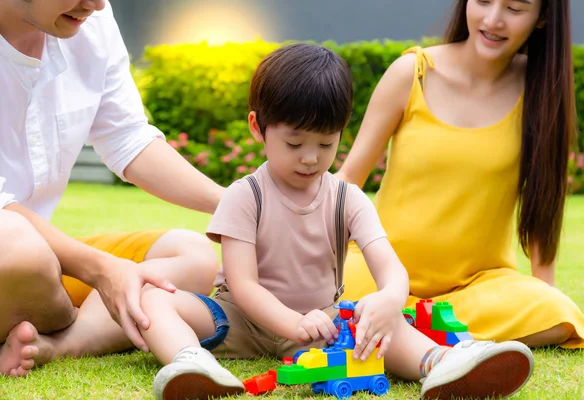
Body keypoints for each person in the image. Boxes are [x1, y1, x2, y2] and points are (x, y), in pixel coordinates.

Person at [137, 43, 535, 400]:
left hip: (323, 326)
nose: (311, 158)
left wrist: (388, 298)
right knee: (154, 297)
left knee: (380, 317)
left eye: (326, 143)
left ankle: (441, 361)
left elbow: (389, 266)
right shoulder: (247, 195)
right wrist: (292, 323)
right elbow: (243, 285)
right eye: (294, 143)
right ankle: (191, 361)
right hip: (239, 320)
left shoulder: (348, 198)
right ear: (258, 127)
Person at [337, 0, 584, 350]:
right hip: (377, 275)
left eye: (515, 9)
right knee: (329, 289)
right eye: (484, 1)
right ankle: (421, 332)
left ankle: (402, 331)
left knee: (555, 313)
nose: (493, 20)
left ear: (542, 18)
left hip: (476, 288)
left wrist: (546, 298)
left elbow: (542, 204)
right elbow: (347, 180)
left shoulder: (540, 90)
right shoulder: (412, 73)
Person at [0, 0, 225, 377]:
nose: (98, 3)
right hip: (15, 252)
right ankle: (63, 315)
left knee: (192, 254)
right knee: (19, 250)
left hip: (42, 261)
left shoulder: (91, 24)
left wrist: (237, 205)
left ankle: (57, 344)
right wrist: (104, 271)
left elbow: (128, 139)